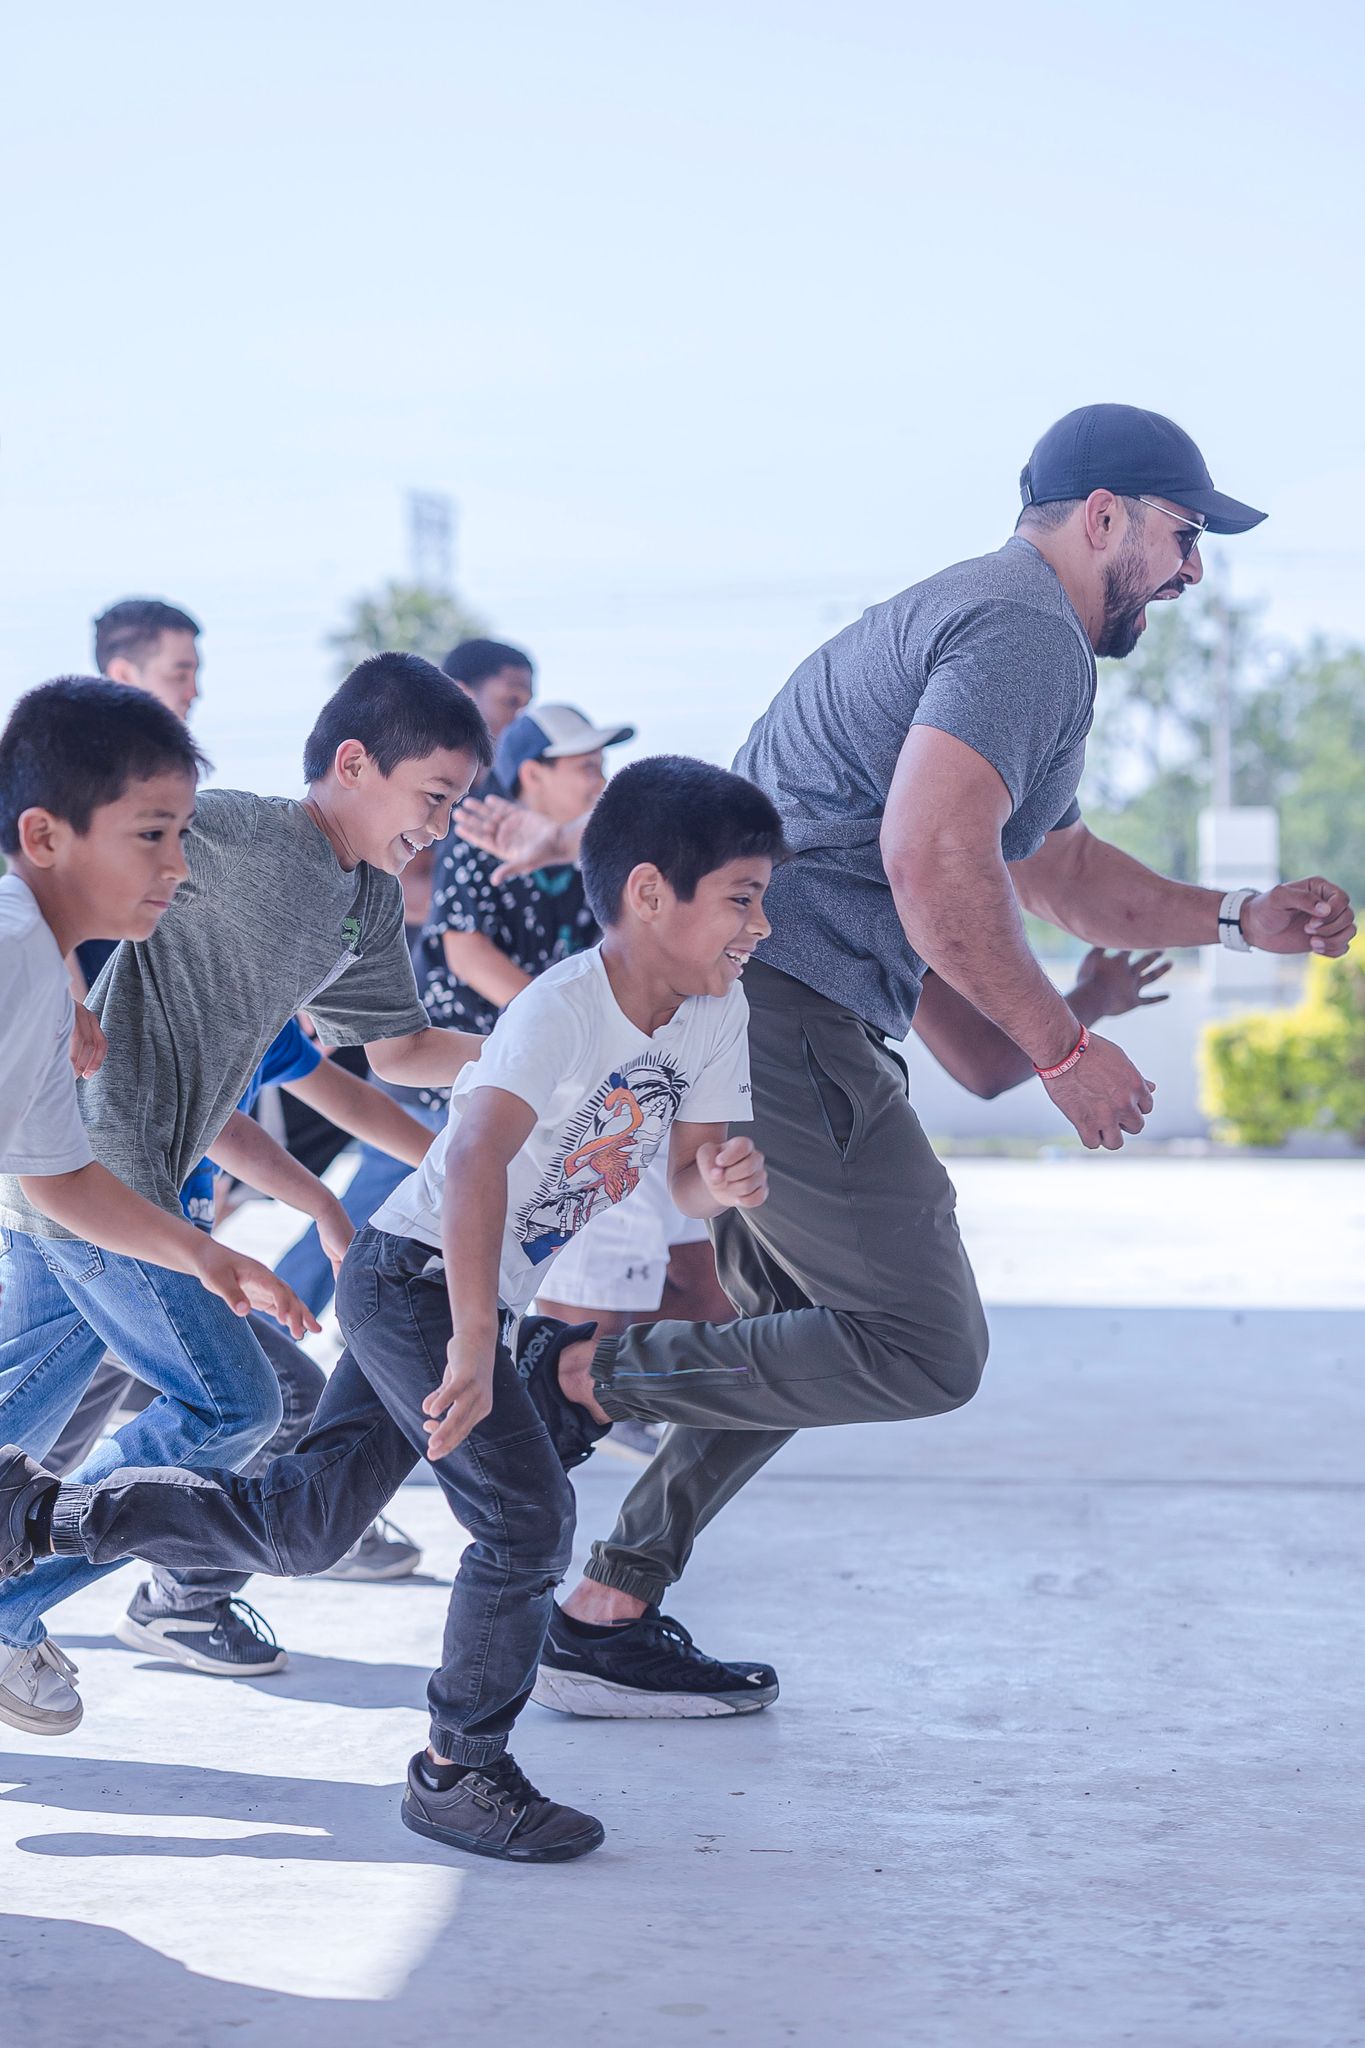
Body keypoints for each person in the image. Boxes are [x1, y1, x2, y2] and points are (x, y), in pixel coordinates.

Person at [454, 403, 1357, 1719]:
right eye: (1181, 535)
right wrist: (1061, 1050)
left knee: (790, 1344)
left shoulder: (1005, 634)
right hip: (790, 1009)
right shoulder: (1021, 630)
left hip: (760, 1009)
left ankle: (608, 1607)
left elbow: (1057, 870)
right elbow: (931, 858)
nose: (1190, 571)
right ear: (1101, 514)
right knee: (919, 1344)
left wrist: (1234, 915)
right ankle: (584, 1375)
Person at [1, 755, 786, 1864]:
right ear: (651, 893)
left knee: (303, 1523)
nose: (760, 925)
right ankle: (461, 1770)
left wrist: (728, 1181)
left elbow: (689, 1175)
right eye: (743, 900)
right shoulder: (566, 1005)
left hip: (445, 1283)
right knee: (524, 1519)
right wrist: (477, 1339)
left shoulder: (715, 1010)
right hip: (417, 1275)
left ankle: (42, 1516)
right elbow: (468, 1166)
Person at [0, 652, 490, 1734]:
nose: (441, 829)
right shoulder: (231, 829)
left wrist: (533, 1055)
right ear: (353, 762)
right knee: (238, 1405)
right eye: (433, 799)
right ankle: (16, 1604)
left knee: (21, 1411)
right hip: (94, 1166)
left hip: (105, 1176)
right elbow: (47, 867)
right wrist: (70, 990)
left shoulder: (360, 908)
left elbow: (399, 1049)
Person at [0, 677, 314, 1731]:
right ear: (44, 834)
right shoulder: (13, 950)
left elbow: (57, 1177)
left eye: (181, 832)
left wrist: (205, 1258)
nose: (178, 865)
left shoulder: (39, 965)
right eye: (151, 833)